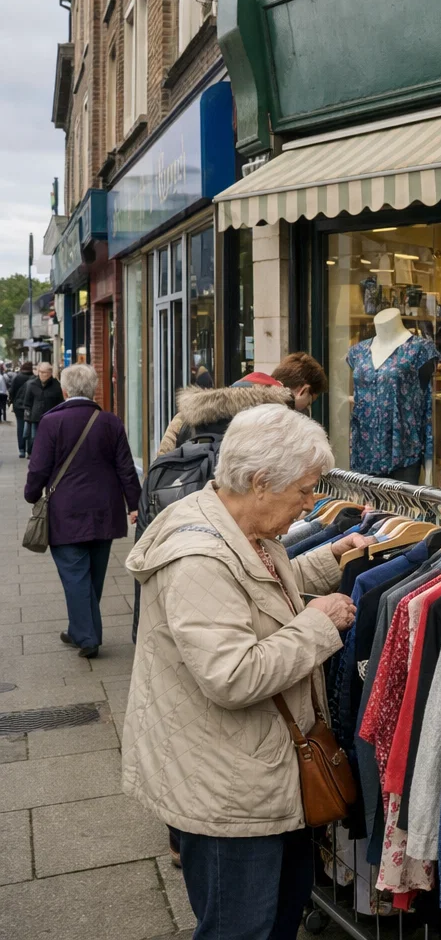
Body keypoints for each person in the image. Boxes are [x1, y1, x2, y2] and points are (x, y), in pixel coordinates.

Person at [121, 404, 370, 940]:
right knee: (240, 929)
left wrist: (330, 560)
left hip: (255, 776)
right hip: (227, 795)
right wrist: (319, 626)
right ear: (260, 482)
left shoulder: (239, 530)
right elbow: (231, 674)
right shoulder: (199, 556)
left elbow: (253, 598)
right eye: (304, 490)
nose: (311, 503)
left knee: (274, 919)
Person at [24, 364, 142, 659]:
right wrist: (134, 504)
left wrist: (31, 494)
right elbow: (126, 468)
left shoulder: (52, 423)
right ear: (94, 389)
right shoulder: (110, 422)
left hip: (66, 512)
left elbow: (39, 467)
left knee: (75, 575)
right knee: (92, 577)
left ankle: (88, 636)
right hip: (105, 510)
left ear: (65, 390)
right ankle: (78, 628)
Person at [155, 352, 329, 456]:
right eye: (310, 402)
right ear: (303, 391)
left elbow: (161, 463)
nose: (306, 407)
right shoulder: (278, 423)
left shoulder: (190, 412)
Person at [21, 362, 63, 456]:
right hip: (35, 418)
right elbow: (27, 402)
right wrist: (27, 418)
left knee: (49, 440)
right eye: (41, 372)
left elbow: (60, 403)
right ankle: (34, 456)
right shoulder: (32, 384)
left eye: (45, 372)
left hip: (51, 418)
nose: (42, 374)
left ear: (50, 373)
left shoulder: (56, 385)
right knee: (34, 439)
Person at [11, 362, 33, 456]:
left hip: (18, 406)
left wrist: (13, 402)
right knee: (31, 427)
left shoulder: (17, 377)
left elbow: (12, 391)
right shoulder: (34, 378)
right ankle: (30, 450)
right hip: (31, 406)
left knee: (20, 427)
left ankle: (21, 450)